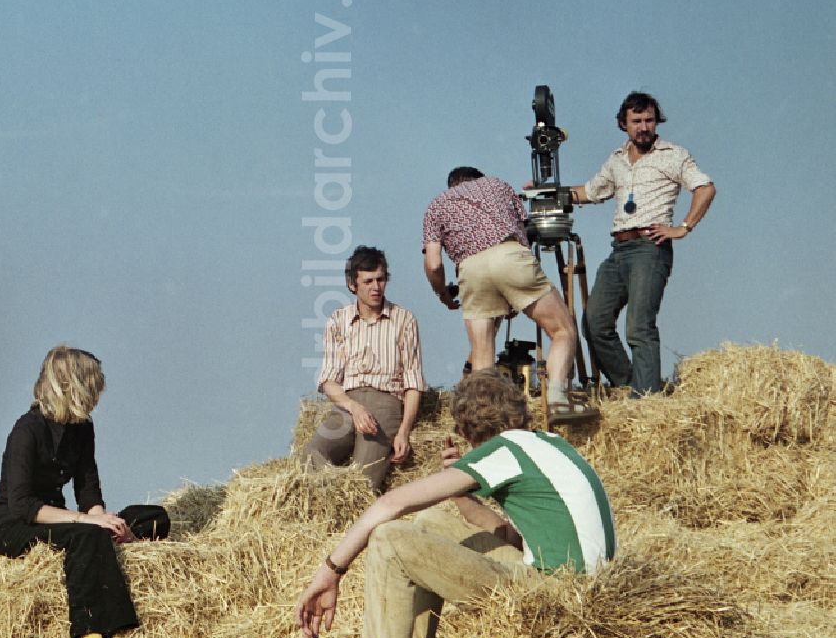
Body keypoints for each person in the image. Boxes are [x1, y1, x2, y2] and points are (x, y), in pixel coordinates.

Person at [296, 371, 615, 638]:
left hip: (557, 594)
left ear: (465, 430)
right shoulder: (549, 444)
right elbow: (511, 540)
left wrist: (331, 571)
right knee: (432, 522)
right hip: (586, 589)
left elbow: (390, 504)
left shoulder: (504, 450)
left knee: (389, 538)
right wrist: (460, 489)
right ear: (519, 411)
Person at [0, 345, 166, 638]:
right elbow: (22, 505)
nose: (98, 393)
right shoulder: (26, 431)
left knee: (156, 516)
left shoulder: (82, 429)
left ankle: (123, 539)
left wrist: (108, 522)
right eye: (94, 384)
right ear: (74, 386)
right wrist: (88, 521)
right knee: (86, 535)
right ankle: (88, 634)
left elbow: (88, 489)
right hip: (15, 525)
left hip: (63, 521)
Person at [570, 92, 715, 397]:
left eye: (649, 120)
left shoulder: (673, 154)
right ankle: (629, 387)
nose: (643, 126)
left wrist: (683, 227)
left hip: (650, 248)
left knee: (638, 327)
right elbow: (589, 192)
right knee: (594, 322)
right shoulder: (617, 159)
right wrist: (548, 192)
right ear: (624, 124)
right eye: (636, 121)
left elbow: (705, 188)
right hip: (618, 250)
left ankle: (646, 403)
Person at [423, 167, 584, 419]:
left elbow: (433, 264)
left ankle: (485, 422)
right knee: (562, 330)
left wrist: (443, 293)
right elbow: (524, 228)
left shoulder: (436, 206)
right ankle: (557, 400)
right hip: (509, 255)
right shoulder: (496, 184)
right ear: (480, 179)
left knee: (482, 355)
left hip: (470, 268)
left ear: (451, 185)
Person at [301, 245, 426, 493]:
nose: (375, 287)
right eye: (368, 281)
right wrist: (353, 407)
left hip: (385, 405)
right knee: (309, 454)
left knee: (361, 483)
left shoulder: (404, 319)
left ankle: (352, 516)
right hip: (347, 406)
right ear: (352, 285)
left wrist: (403, 432)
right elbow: (329, 381)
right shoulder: (338, 320)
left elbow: (413, 383)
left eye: (380, 280)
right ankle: (329, 503)